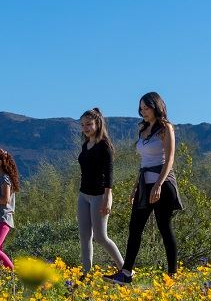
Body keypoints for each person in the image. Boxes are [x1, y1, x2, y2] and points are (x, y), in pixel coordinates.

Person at [104, 92, 183, 285]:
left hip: (162, 184)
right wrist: (135, 188)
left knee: (165, 228)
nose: (143, 111)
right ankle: (126, 273)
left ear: (156, 107)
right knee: (135, 228)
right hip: (144, 184)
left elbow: (170, 159)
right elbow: (144, 162)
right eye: (141, 108)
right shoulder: (144, 129)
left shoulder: (166, 128)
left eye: (146, 107)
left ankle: (172, 274)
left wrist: (158, 185)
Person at [77, 108, 124, 277]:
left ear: (98, 123)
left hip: (99, 195)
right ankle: (86, 274)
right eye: (82, 124)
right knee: (84, 236)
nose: (85, 127)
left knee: (101, 237)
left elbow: (109, 172)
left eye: (89, 124)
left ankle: (125, 270)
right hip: (83, 195)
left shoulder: (104, 145)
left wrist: (107, 197)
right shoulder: (85, 144)